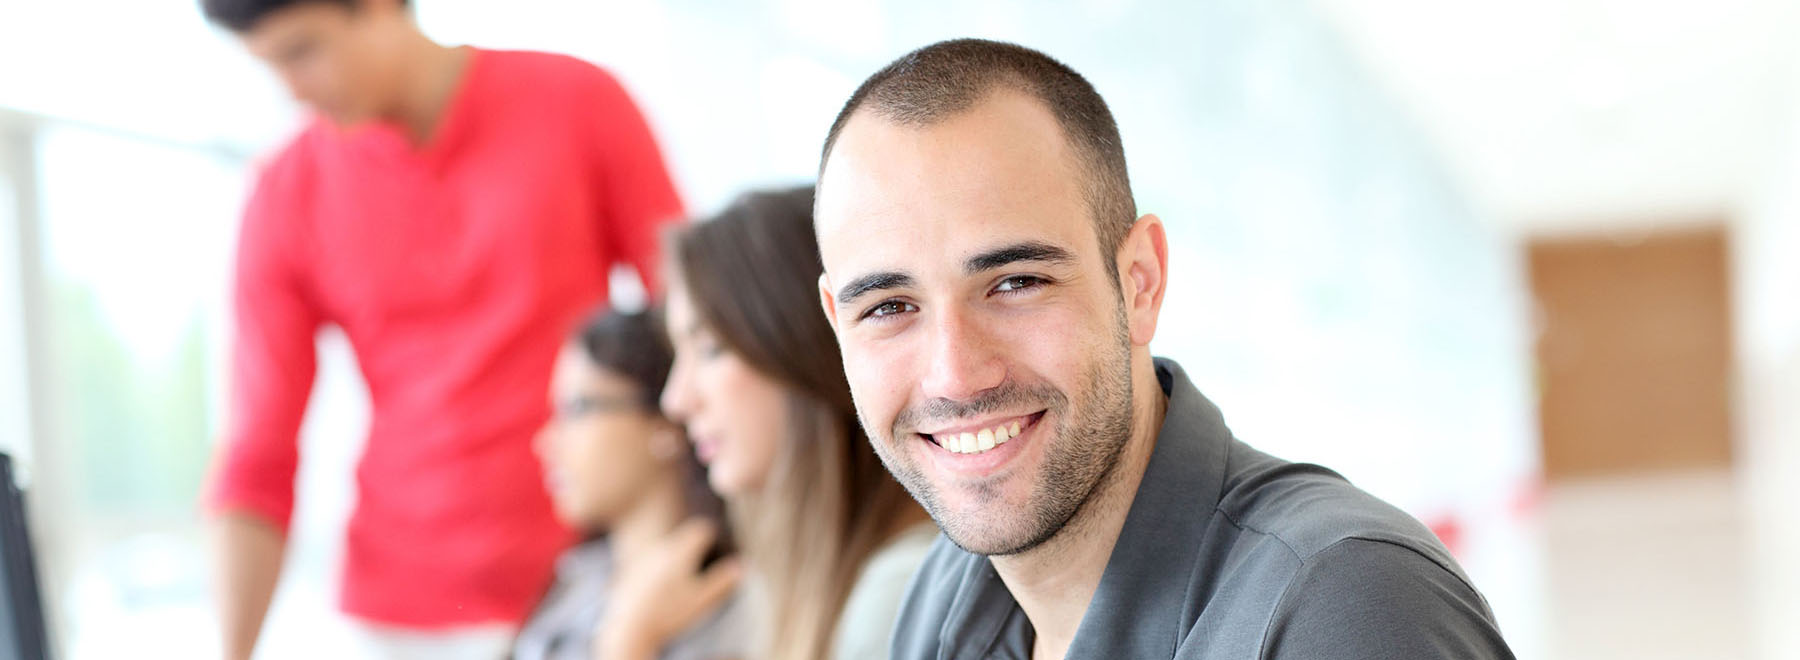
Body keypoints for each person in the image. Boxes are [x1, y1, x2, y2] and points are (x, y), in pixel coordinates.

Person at [810, 39, 1516, 660]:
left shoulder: (1341, 608)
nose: (956, 374)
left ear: (1140, 283)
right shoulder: (946, 602)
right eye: (890, 307)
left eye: (1016, 282)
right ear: (837, 324)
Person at [199, 0, 684, 657]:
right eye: (268, 66)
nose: (292, 90)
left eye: (301, 51)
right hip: (399, 610)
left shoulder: (578, 101)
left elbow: (690, 319)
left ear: (376, 9)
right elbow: (257, 456)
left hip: (590, 581)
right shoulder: (284, 192)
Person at [653, 187, 938, 660]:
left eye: (709, 350)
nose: (676, 400)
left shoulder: (898, 596)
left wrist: (627, 643)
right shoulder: (779, 583)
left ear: (800, 348)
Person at [515, 308, 745, 660]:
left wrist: (630, 641)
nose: (548, 441)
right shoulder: (577, 576)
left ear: (666, 421)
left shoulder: (730, 604)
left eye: (577, 408)